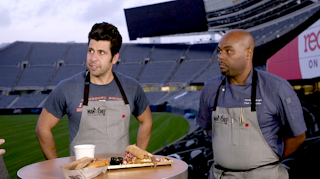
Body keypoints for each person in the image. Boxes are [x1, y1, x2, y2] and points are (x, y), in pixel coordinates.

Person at [196, 29, 306, 179]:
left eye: (228, 51)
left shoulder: (277, 88)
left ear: (248, 54)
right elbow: (209, 129)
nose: (220, 57)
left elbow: (298, 136)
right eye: (220, 51)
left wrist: (268, 162)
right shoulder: (210, 88)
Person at [36, 22, 153, 160]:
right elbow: (42, 128)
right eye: (91, 50)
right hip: (83, 175)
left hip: (121, 174)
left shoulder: (131, 87)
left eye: (101, 53)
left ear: (114, 58)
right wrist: (55, 165)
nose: (93, 58)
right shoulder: (67, 88)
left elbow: (147, 121)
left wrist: (138, 157)